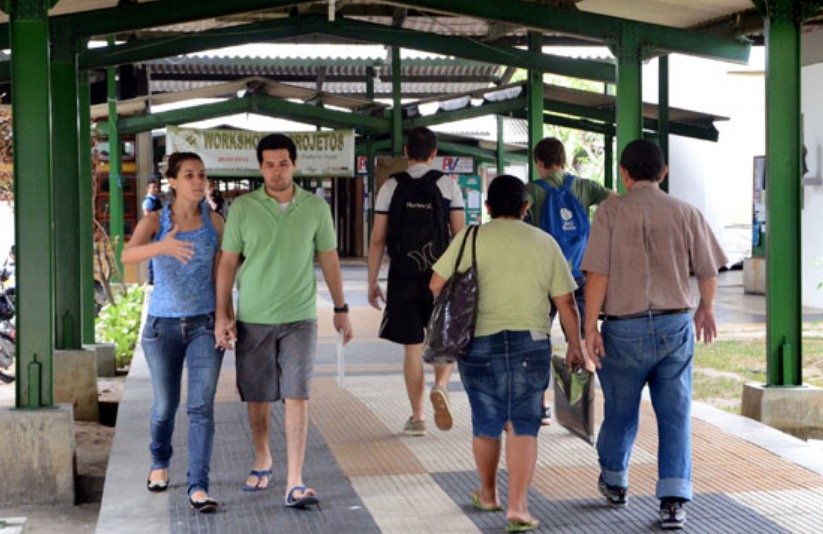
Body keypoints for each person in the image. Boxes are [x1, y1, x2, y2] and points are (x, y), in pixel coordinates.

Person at [581, 140, 727, 530]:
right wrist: (707, 307)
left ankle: (614, 481)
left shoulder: (609, 211)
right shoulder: (686, 212)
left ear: (623, 173)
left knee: (621, 413)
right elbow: (708, 270)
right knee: (675, 413)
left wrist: (589, 327)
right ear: (663, 173)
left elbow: (597, 274)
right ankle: (674, 501)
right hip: (674, 327)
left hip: (622, 330)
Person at [430, 174, 584, 533]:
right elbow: (565, 303)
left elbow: (436, 284)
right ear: (526, 208)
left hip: (478, 341)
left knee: (487, 420)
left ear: (487, 207)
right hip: (531, 342)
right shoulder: (544, 242)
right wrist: (575, 346)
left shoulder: (470, 237)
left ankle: (487, 494)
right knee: (523, 423)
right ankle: (518, 506)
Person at [214, 133, 353, 508]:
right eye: (270, 164)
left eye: (283, 163)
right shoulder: (242, 208)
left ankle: (295, 479)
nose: (276, 172)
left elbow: (329, 259)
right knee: (257, 396)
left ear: (295, 164)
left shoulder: (315, 208)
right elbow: (227, 262)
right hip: (254, 317)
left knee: (297, 393)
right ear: (260, 167)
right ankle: (263, 457)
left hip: (300, 317)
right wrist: (222, 313)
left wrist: (342, 309)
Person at [122, 152, 225, 513]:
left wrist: (226, 316)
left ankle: (199, 486)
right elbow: (127, 255)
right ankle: (159, 462)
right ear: (173, 181)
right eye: (189, 175)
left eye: (202, 175)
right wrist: (162, 246)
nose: (198, 181)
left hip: (204, 325)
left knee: (201, 407)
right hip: (162, 326)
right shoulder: (155, 220)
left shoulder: (215, 222)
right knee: (166, 405)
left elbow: (223, 272)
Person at [367, 127, 465, 436]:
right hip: (441, 276)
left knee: (412, 347)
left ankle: (418, 417)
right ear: (435, 154)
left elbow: (377, 240)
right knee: (443, 339)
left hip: (403, 276)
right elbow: (459, 237)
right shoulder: (448, 185)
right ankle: (440, 386)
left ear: (407, 152)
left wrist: (373, 281)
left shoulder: (391, 186)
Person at [526, 137, 616, 425]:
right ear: (563, 160)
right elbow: (615, 201)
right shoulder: (584, 186)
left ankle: (541, 407)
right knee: (579, 337)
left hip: (544, 278)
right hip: (578, 273)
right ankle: (582, 408)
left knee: (540, 337)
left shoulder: (533, 191)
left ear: (539, 162)